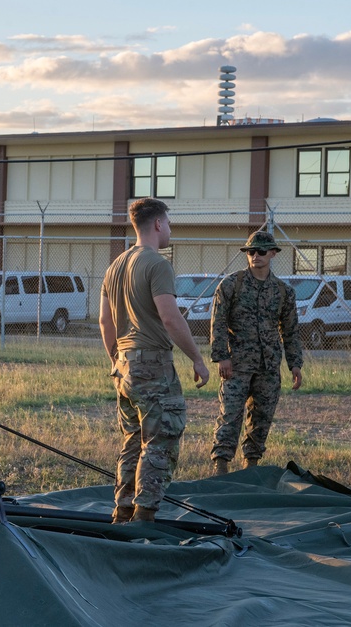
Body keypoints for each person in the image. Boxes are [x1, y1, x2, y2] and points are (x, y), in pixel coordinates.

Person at [99, 198, 210, 524]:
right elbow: (170, 317)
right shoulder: (156, 263)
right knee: (160, 441)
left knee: (133, 441)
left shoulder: (115, 265)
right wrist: (198, 359)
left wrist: (118, 359)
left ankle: (123, 511)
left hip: (124, 366)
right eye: (169, 223)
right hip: (152, 367)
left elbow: (106, 323)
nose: (170, 229)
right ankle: (144, 517)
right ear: (158, 224)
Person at [209, 231, 303, 474]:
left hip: (268, 367)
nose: (256, 256)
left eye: (261, 251)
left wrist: (295, 364)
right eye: (251, 251)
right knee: (230, 416)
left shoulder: (283, 291)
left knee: (261, 420)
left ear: (272, 253)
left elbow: (290, 330)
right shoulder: (231, 285)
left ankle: (250, 467)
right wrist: (222, 356)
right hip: (236, 364)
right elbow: (218, 323)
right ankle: (221, 469)